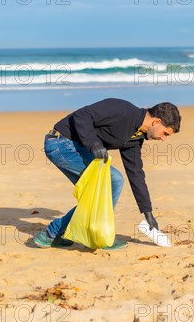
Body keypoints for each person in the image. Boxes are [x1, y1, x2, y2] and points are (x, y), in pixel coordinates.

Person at [34, 98, 181, 249]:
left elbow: (136, 174)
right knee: (114, 181)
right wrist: (94, 144)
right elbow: (82, 116)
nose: (163, 138)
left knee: (96, 194)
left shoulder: (135, 139)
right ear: (156, 122)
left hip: (75, 148)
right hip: (60, 143)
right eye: (165, 133)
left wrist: (147, 212)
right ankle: (88, 235)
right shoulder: (122, 109)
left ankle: (52, 235)